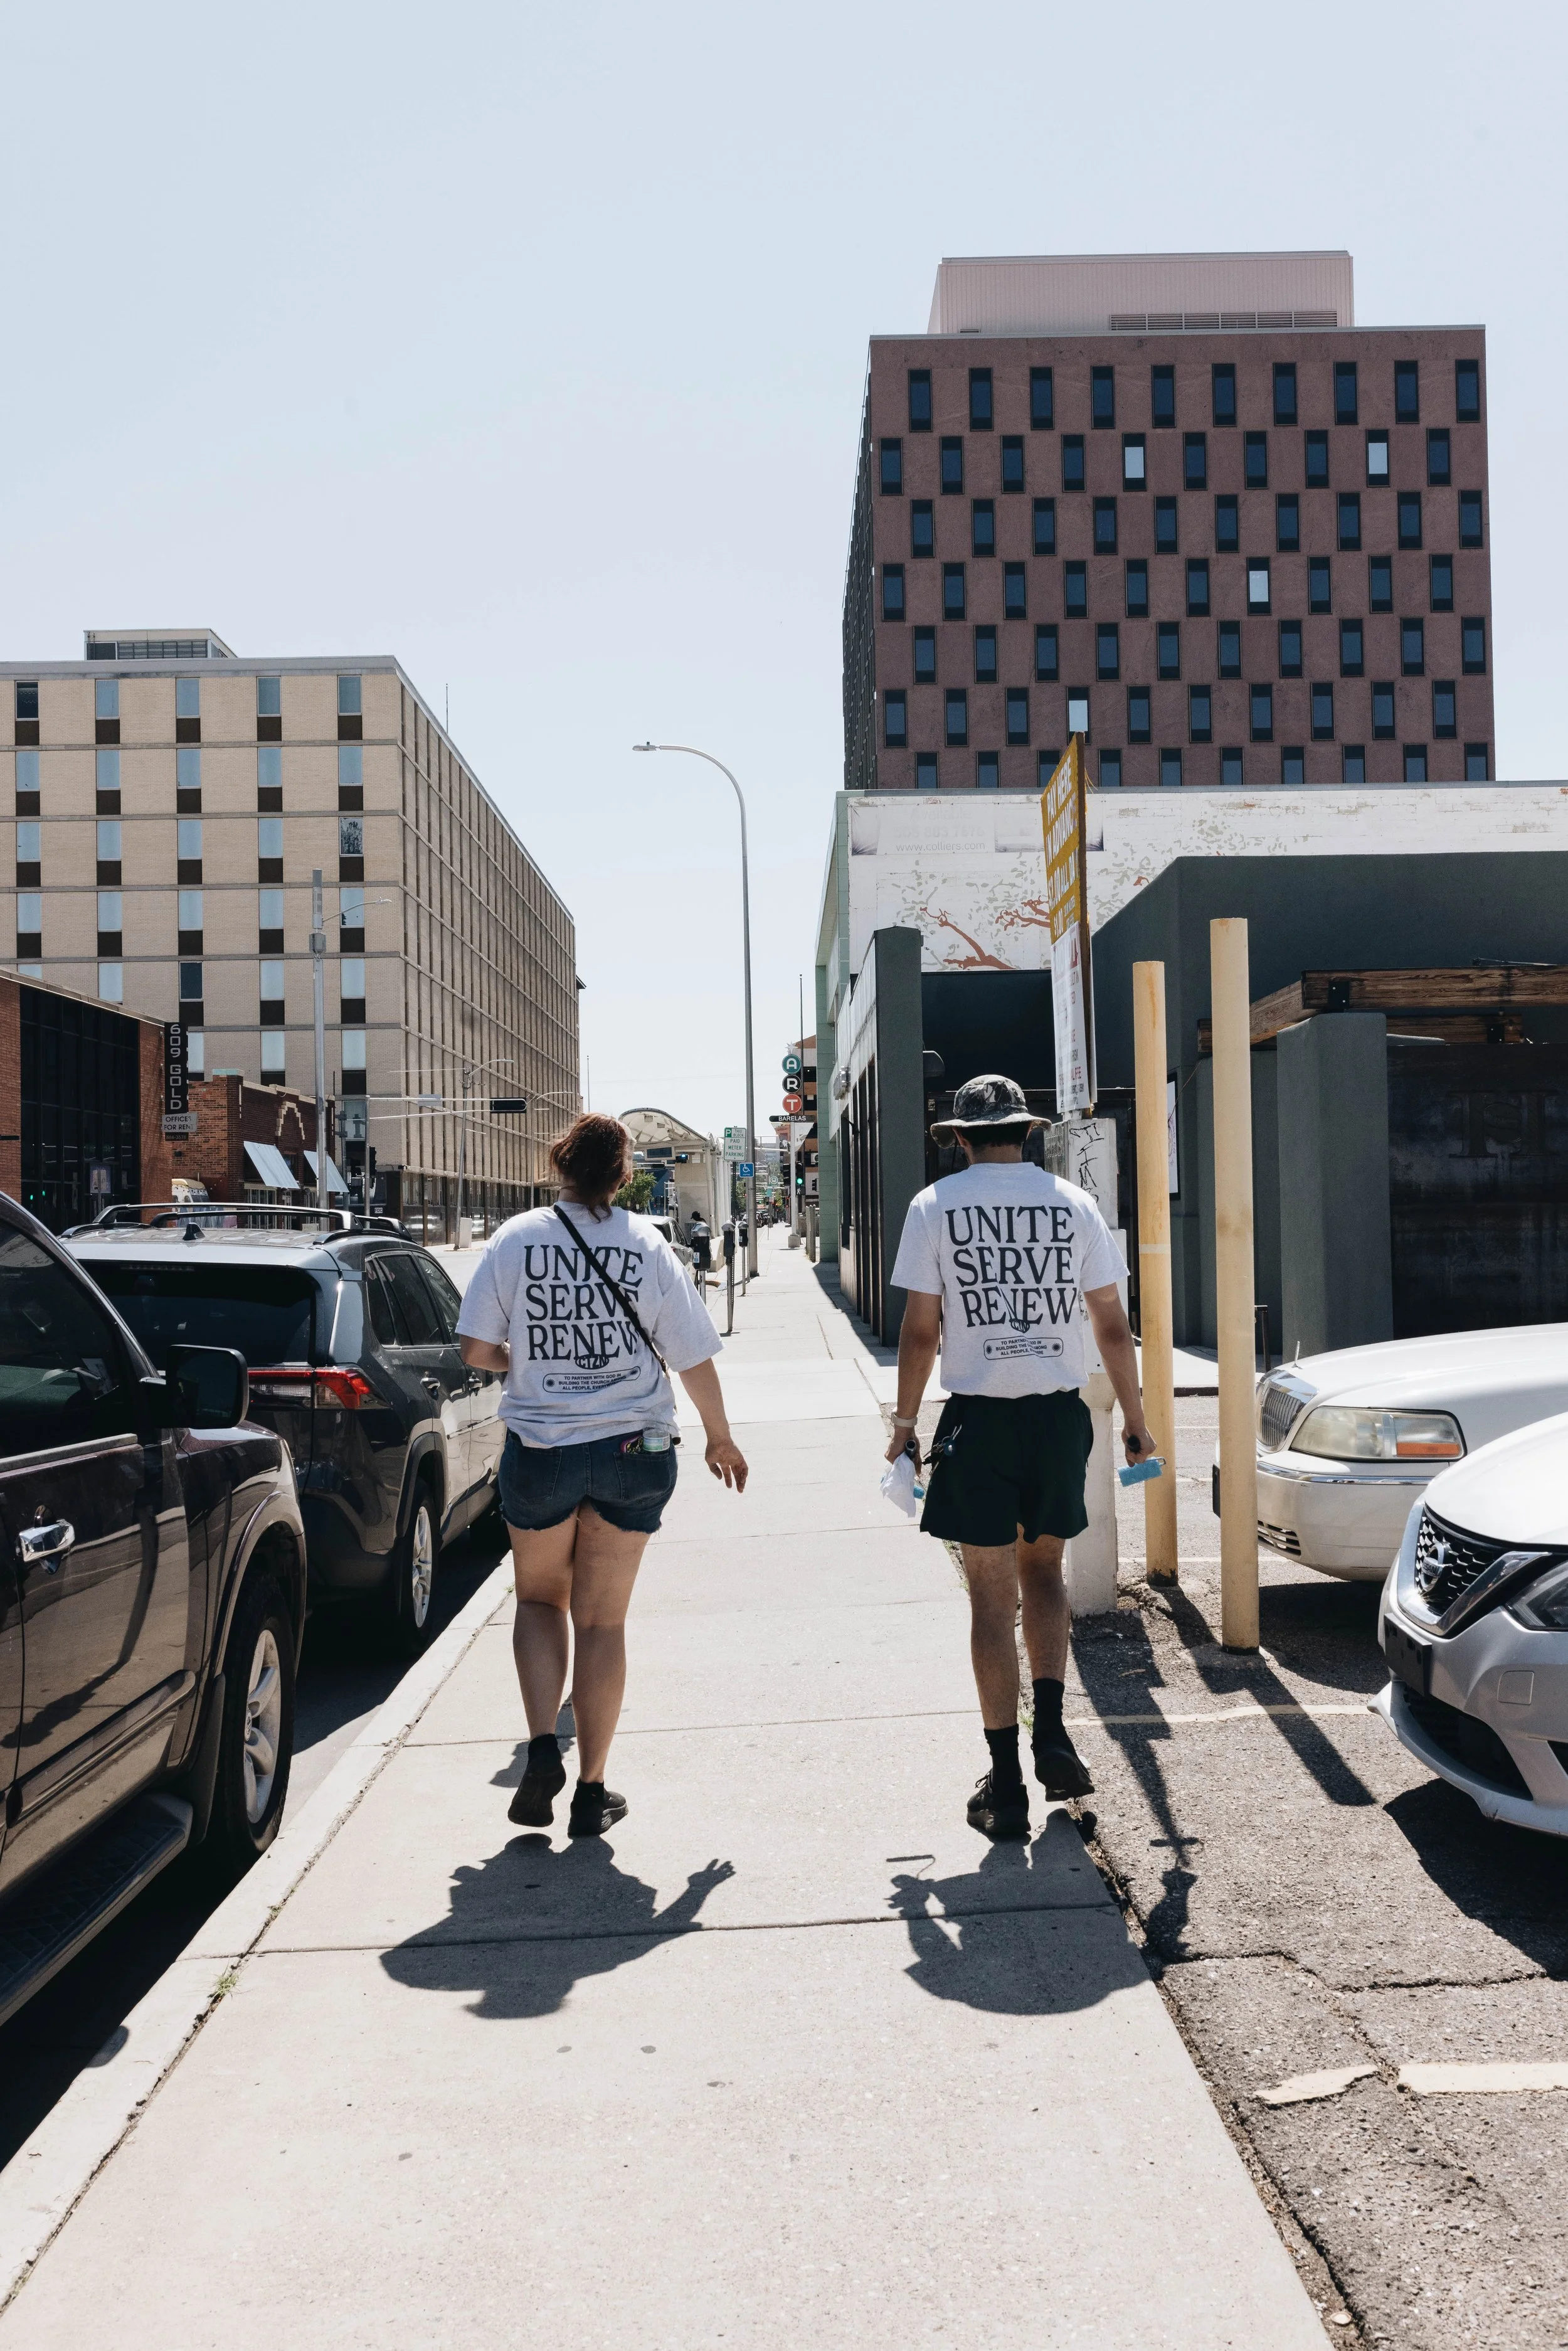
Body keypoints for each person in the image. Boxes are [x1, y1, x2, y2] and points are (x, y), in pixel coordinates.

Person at [458, 1113, 748, 1837]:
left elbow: (473, 1348)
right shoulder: (646, 1243)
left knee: (537, 1602)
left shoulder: (516, 1240)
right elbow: (690, 1356)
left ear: (560, 1165)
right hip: (633, 1451)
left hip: (543, 1449)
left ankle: (539, 1751)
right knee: (602, 1619)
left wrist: (524, 1361)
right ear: (624, 1175)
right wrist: (720, 1438)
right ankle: (592, 1790)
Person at [884, 1073, 1155, 1842]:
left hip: (980, 1420)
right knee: (1046, 1575)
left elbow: (919, 1332)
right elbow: (1110, 1323)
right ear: (1027, 1132)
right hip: (1056, 1420)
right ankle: (1054, 1733)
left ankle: (1004, 1783)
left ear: (961, 1139)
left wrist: (905, 1424)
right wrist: (1135, 1418)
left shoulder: (935, 1206)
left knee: (988, 1598)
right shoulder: (1075, 1205)